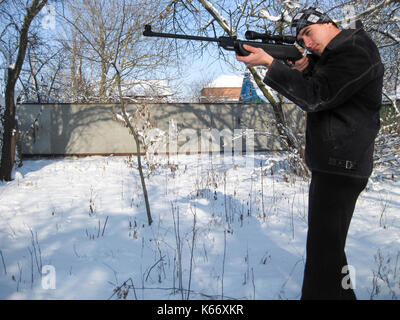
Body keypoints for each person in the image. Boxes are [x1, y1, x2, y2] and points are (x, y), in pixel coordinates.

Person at [237, 7, 384, 299]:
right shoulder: (335, 56)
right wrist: (304, 68)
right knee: (328, 251)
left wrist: (270, 63)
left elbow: (317, 96)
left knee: (323, 255)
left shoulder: (355, 50)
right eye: (300, 38)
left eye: (308, 32)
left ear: (329, 24)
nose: (306, 42)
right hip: (334, 163)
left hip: (342, 165)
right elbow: (323, 87)